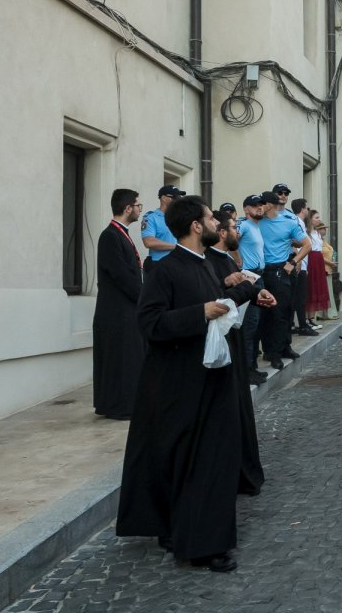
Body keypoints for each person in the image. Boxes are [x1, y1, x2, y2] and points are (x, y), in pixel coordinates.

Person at [116, 196, 275, 573]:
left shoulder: (205, 267)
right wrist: (198, 313)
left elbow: (220, 300)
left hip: (210, 380)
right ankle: (203, 546)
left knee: (208, 463)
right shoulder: (165, 270)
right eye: (209, 218)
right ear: (195, 227)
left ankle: (190, 532)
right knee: (197, 463)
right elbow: (150, 324)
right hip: (180, 385)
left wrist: (251, 290)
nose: (216, 224)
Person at [204, 211, 267, 493]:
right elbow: (215, 301)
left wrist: (256, 293)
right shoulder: (209, 261)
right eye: (232, 228)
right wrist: (240, 288)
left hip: (234, 341)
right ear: (221, 232)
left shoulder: (227, 258)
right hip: (221, 347)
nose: (237, 232)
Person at [92, 188, 145, 419]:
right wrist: (144, 297)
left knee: (126, 358)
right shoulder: (110, 236)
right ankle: (120, 406)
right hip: (116, 310)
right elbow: (121, 275)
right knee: (120, 360)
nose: (139, 209)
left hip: (126, 308)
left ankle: (123, 403)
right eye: (137, 205)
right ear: (127, 209)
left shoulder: (120, 233)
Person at [258, 186, 309, 369]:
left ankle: (282, 348)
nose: (259, 207)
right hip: (263, 272)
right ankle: (271, 352)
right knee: (268, 315)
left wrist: (293, 262)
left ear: (269, 205)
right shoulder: (256, 222)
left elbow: (306, 244)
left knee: (284, 311)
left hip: (281, 271)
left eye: (262, 204)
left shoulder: (287, 221)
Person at [237, 194, 269, 382]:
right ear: (246, 209)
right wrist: (237, 261)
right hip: (248, 276)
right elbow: (230, 240)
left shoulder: (256, 226)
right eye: (255, 205)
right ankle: (247, 370)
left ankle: (252, 366)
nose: (259, 208)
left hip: (259, 276)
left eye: (261, 205)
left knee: (256, 324)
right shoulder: (243, 224)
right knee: (249, 324)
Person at [140, 184, 185, 272]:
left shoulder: (180, 217)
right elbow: (149, 242)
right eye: (175, 197)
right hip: (159, 265)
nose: (178, 200)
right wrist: (177, 247)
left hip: (179, 263)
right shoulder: (151, 217)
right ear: (164, 198)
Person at [290, 198, 317, 335]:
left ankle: (300, 323)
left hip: (302, 264)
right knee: (299, 297)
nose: (308, 210)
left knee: (300, 296)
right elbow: (292, 242)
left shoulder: (300, 222)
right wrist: (298, 260)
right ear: (302, 209)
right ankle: (301, 325)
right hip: (298, 264)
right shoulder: (296, 222)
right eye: (307, 208)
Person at [305, 210, 331, 327]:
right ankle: (307, 318)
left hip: (318, 261)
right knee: (311, 289)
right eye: (316, 217)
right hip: (312, 260)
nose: (319, 219)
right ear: (310, 219)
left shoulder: (316, 233)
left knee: (317, 288)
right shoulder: (307, 233)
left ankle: (311, 317)